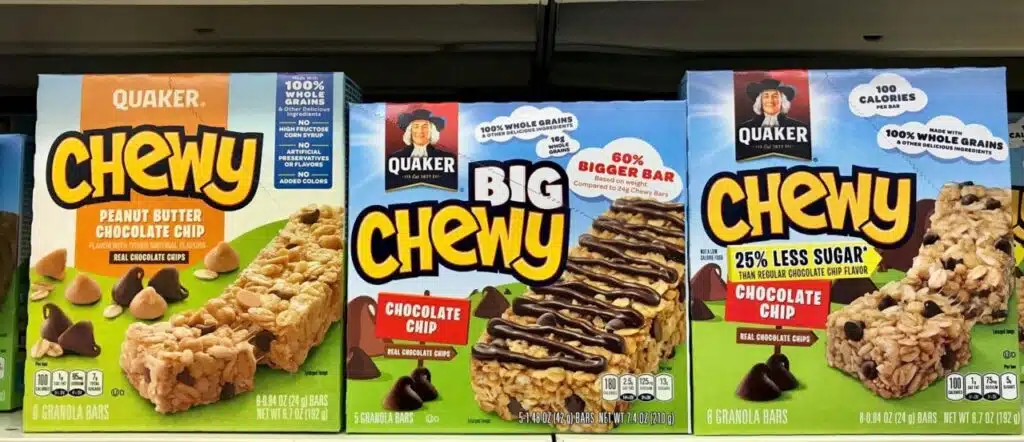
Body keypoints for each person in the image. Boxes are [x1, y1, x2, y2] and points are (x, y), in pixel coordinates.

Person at [739, 78, 807, 128]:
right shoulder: (745, 128)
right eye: (766, 96)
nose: (770, 100)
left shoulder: (798, 127)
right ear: (760, 101)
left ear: (782, 101)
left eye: (775, 96)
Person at [391, 109, 455, 159]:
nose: (420, 131)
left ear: (432, 131)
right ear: (410, 131)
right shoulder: (396, 157)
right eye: (416, 126)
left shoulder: (446, 157)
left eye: (425, 127)